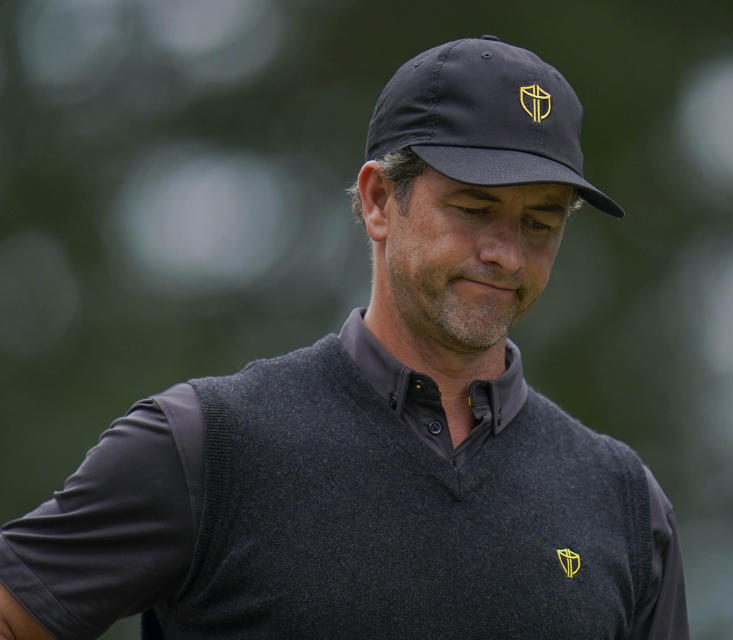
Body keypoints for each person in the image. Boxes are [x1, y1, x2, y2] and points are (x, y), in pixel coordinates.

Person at [0, 36, 688, 639]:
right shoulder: (208, 446)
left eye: (540, 222)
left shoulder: (624, 503)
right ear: (379, 201)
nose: (507, 253)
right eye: (476, 209)